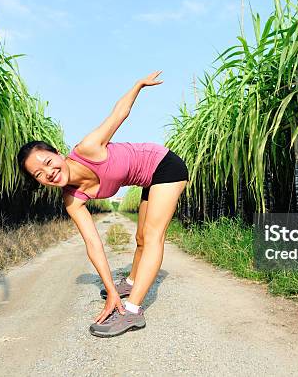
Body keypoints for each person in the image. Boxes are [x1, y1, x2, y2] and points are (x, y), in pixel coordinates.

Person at [16, 71, 188, 337]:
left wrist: (138, 85)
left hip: (165, 165)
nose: (48, 172)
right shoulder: (72, 199)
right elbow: (93, 244)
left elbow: (119, 113)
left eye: (48, 162)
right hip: (147, 179)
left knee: (154, 236)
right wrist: (110, 290)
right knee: (140, 237)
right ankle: (128, 283)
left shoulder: (87, 149)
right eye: (39, 174)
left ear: (58, 154)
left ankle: (132, 312)